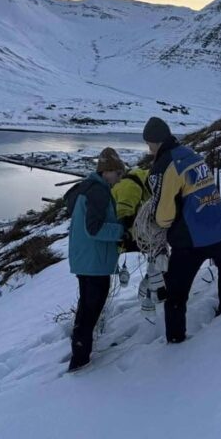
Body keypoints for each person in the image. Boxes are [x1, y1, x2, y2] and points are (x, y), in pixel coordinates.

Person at [144, 116, 221, 343]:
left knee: (176, 293)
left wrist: (156, 225)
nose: (149, 151)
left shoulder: (167, 165)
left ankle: (176, 341)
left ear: (155, 142)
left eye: (149, 145)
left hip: (191, 239)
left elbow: (164, 215)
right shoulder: (192, 154)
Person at [63, 147, 126, 371]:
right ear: (107, 171)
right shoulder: (98, 191)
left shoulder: (87, 187)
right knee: (91, 309)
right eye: (118, 174)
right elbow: (94, 229)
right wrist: (121, 231)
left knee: (86, 307)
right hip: (94, 262)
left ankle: (80, 350)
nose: (119, 180)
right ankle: (79, 360)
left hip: (86, 259)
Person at [111, 166, 152, 252]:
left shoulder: (137, 185)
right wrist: (131, 239)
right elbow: (124, 218)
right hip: (112, 241)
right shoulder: (132, 187)